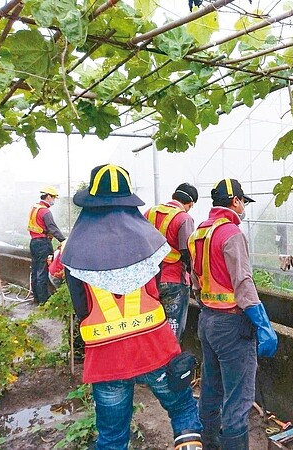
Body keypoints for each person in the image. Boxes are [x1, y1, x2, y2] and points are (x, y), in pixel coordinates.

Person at [61, 164, 202, 450]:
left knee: (112, 438)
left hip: (106, 358)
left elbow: (81, 308)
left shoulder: (73, 249)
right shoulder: (150, 241)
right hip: (156, 348)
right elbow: (158, 287)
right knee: (183, 411)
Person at [189, 178, 278, 450]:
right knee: (238, 399)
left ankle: (210, 445)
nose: (243, 208)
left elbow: (195, 280)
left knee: (211, 389)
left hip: (207, 321)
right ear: (235, 201)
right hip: (232, 325)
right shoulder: (231, 234)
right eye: (243, 203)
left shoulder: (199, 234)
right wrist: (262, 323)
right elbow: (243, 282)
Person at [145, 183, 198, 342]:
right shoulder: (184, 218)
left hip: (149, 280)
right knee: (172, 329)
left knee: (151, 327)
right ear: (190, 203)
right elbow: (187, 253)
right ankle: (170, 363)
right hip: (174, 281)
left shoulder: (149, 213)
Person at [27, 185, 66, 304]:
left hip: (34, 242)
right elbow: (52, 228)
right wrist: (63, 241)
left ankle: (37, 298)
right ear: (48, 196)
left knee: (35, 271)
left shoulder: (35, 208)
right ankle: (44, 301)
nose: (53, 200)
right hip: (43, 244)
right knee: (42, 272)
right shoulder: (45, 211)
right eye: (53, 197)